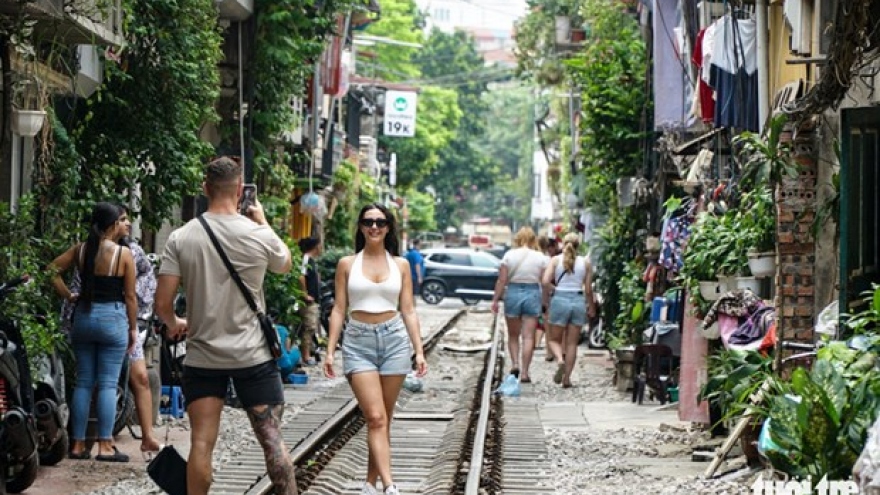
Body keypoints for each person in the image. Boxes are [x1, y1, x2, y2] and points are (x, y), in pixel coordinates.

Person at [154, 156, 297, 495]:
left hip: (203, 357)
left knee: (201, 444)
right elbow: (285, 265)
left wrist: (177, 322)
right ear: (239, 189)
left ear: (205, 188)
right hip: (254, 356)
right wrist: (262, 221)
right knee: (272, 441)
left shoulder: (182, 236)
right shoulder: (258, 234)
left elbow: (162, 304)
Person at [323, 203, 428, 495]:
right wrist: (331, 350)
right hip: (358, 341)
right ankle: (390, 486)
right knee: (375, 417)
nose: (374, 227)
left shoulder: (401, 265)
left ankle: (370, 484)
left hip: (394, 339)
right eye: (368, 221)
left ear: (388, 227)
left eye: (380, 222)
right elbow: (339, 309)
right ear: (360, 226)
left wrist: (418, 350)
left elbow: (408, 309)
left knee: (382, 419)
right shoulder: (347, 263)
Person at [50, 202, 137, 462]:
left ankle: (77, 444)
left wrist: (68, 296)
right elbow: (130, 297)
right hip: (112, 319)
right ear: (111, 226)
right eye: (121, 220)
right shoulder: (123, 255)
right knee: (108, 384)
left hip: (84, 318)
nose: (125, 224)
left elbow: (52, 271)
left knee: (84, 382)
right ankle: (105, 445)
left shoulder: (81, 249)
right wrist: (133, 328)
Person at [490, 227, 548, 383]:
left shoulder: (509, 255)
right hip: (532, 293)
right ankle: (525, 373)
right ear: (532, 239)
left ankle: (515, 364)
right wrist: (545, 303)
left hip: (513, 292)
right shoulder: (540, 257)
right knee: (528, 337)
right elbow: (544, 283)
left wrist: (495, 299)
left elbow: (502, 280)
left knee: (513, 335)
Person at [542, 233, 596, 388]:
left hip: (560, 300)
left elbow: (545, 281)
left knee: (553, 339)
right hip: (578, 302)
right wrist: (591, 307)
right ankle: (567, 379)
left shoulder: (555, 260)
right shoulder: (585, 263)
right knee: (572, 344)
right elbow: (588, 289)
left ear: (563, 244)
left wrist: (556, 289)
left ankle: (559, 359)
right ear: (578, 246)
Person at [298, 237, 322, 366]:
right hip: (308, 302)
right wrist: (305, 294)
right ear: (316, 247)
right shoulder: (306, 259)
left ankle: (308, 353)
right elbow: (301, 277)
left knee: (309, 328)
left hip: (313, 300)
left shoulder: (312, 261)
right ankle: (305, 357)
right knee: (309, 327)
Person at [404, 238, 424, 304]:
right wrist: (419, 277)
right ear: (417, 245)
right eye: (420, 245)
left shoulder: (409, 254)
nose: (421, 246)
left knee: (409, 293)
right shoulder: (416, 254)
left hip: (408, 276)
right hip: (414, 276)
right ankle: (413, 307)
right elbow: (417, 265)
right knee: (414, 294)